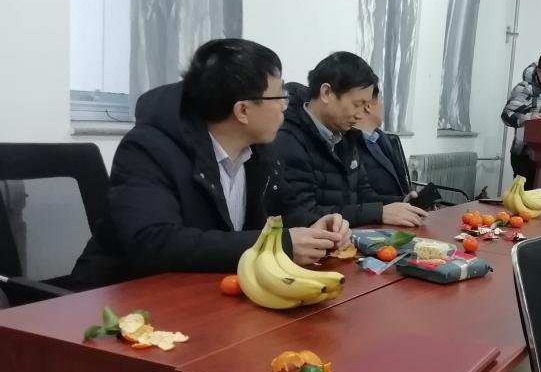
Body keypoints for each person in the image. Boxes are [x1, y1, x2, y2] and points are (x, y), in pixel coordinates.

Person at [70, 38, 350, 288]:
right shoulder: (147, 149)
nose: (284, 108)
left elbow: (284, 209)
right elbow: (154, 243)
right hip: (121, 299)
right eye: (280, 97)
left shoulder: (259, 150)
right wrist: (276, 245)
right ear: (243, 110)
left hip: (206, 291)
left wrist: (315, 226)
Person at [275, 52, 427, 228]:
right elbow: (305, 214)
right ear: (326, 93)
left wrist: (399, 203)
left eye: (365, 106)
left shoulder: (346, 135)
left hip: (350, 236)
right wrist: (379, 213)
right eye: (357, 104)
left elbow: (363, 194)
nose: (360, 115)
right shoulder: (289, 140)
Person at [501, 49, 541, 190]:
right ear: (539, 71)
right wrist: (527, 118)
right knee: (525, 195)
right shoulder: (525, 88)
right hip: (524, 154)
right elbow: (506, 115)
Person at [352, 83, 411, 198]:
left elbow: (402, 184)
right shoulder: (347, 144)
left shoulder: (384, 139)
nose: (384, 106)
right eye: (382, 100)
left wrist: (410, 201)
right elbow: (359, 196)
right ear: (368, 106)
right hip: (379, 208)